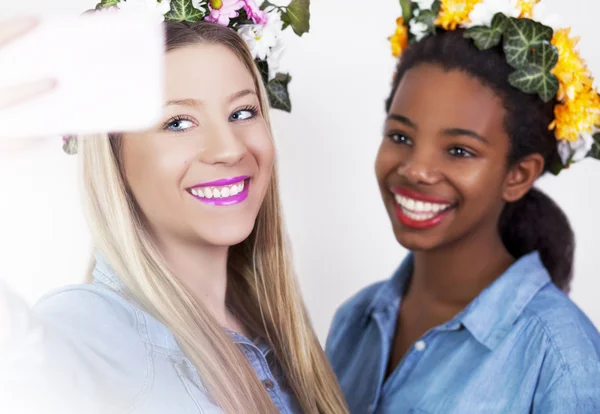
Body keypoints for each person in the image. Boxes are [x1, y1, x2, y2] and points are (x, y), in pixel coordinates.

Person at [0, 16, 348, 414]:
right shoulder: (92, 327)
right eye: (178, 122)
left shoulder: (274, 332)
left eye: (241, 112)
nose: (229, 149)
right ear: (116, 160)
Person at [326, 1, 600, 413]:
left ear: (518, 175)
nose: (416, 170)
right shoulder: (356, 320)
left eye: (459, 150)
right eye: (400, 137)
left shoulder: (561, 356)